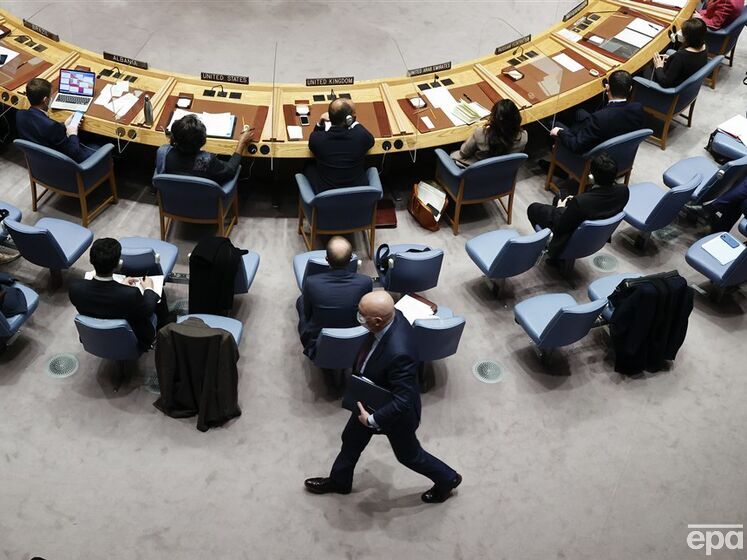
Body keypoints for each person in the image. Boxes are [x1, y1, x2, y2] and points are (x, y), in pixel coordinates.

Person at [304, 291, 462, 504]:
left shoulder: (400, 353)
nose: (358, 316)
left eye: (362, 314)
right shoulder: (392, 316)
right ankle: (340, 481)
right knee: (351, 440)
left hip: (394, 414)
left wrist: (371, 420)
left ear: (378, 321)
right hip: (370, 398)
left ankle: (448, 478)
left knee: (409, 456)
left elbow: (403, 400)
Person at [69, 238, 169, 351]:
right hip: (132, 337)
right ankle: (164, 329)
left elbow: (102, 301)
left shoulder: (75, 288)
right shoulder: (131, 294)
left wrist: (120, 286)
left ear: (91, 261)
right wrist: (149, 288)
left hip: (94, 337)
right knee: (158, 292)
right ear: (118, 264)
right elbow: (147, 310)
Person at [527, 153, 630, 258]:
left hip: (571, 237)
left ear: (591, 177)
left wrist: (560, 207)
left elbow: (560, 226)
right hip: (597, 236)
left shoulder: (580, 202)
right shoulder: (624, 191)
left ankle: (551, 244)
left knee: (533, 208)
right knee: (560, 196)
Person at [296, 236, 372, 358]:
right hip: (354, 336)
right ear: (351, 259)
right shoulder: (366, 282)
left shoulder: (312, 283)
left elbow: (307, 313)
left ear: (326, 259)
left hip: (318, 341)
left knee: (300, 301)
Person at [548, 70, 645, 155]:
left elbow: (576, 146)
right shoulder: (638, 108)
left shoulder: (600, 117)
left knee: (551, 122)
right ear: (630, 88)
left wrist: (560, 132)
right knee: (579, 112)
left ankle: (559, 161)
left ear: (607, 87)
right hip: (618, 150)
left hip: (592, 154)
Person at [15, 78, 94, 163]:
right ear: (45, 100)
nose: (51, 98)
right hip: (64, 164)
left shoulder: (20, 114)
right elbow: (73, 153)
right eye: (51, 95)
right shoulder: (51, 126)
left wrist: (64, 125)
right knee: (98, 145)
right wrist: (73, 133)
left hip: (39, 161)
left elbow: (43, 129)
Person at [306, 98, 375, 193]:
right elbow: (370, 140)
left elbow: (313, 143)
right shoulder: (360, 137)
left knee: (308, 166)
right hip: (358, 194)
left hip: (327, 195)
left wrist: (320, 123)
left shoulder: (317, 139)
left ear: (329, 116)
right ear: (349, 119)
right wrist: (354, 122)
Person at [162, 114, 254, 184]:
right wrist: (241, 143)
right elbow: (230, 171)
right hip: (203, 198)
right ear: (202, 141)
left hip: (172, 196)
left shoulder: (163, 153)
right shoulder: (205, 161)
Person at [450, 99, 528, 167]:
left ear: (493, 118)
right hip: (503, 169)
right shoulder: (524, 136)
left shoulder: (480, 133)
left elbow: (464, 153)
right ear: (517, 118)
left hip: (479, 169)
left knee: (452, 153)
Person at [653, 18, 708, 88]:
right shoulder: (704, 45)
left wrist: (659, 67)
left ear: (687, 37)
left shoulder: (680, 57)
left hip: (674, 87)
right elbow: (689, 61)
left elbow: (665, 82)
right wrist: (671, 59)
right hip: (687, 77)